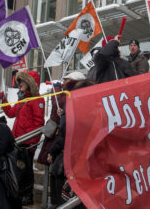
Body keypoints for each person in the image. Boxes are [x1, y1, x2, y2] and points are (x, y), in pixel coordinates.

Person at [46, 80, 95, 209]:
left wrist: (64, 116)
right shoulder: (94, 109)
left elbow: (67, 132)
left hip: (77, 164)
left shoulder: (76, 107)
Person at [0, 70, 45, 205]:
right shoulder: (22, 98)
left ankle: (27, 195)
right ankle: (19, 193)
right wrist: (3, 100)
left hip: (27, 142)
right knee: (18, 169)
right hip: (18, 141)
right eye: (19, 81)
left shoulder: (37, 100)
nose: (20, 84)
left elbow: (39, 123)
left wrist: (33, 144)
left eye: (22, 81)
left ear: (30, 83)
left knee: (26, 170)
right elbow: (12, 113)